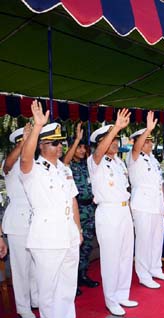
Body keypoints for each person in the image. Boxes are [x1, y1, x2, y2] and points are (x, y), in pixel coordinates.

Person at [19, 101, 81, 318]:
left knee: (67, 287)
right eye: (54, 144)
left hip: (69, 235)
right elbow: (25, 158)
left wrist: (78, 230)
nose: (60, 147)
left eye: (60, 143)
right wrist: (37, 127)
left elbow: (73, 199)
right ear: (42, 146)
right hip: (46, 239)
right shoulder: (32, 169)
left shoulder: (63, 169)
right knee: (48, 292)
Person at [89, 109, 138, 316]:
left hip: (124, 210)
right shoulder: (95, 162)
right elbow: (98, 153)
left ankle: (121, 294)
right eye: (112, 139)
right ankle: (111, 299)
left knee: (126, 255)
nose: (116, 143)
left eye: (117, 139)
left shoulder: (118, 163)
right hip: (108, 213)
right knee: (111, 257)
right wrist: (116, 126)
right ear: (101, 143)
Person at [127, 112, 164, 289]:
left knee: (156, 238)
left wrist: (162, 205)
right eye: (146, 140)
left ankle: (155, 268)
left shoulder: (152, 159)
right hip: (142, 205)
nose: (149, 143)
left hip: (155, 204)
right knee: (144, 241)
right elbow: (136, 148)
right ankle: (143, 274)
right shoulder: (133, 157)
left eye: (150, 140)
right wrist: (147, 129)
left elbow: (159, 183)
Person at [3, 124, 39, 318]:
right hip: (18, 221)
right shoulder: (11, 164)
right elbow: (6, 166)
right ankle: (23, 307)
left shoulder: (35, 164)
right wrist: (23, 142)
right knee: (20, 267)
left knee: (35, 264)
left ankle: (35, 298)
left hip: (36, 219)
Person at [62, 122, 100, 297]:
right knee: (76, 247)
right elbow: (65, 161)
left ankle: (83, 275)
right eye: (79, 148)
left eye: (84, 148)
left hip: (90, 209)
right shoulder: (67, 166)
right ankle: (72, 281)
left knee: (86, 247)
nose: (83, 151)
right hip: (77, 211)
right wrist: (76, 139)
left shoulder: (86, 165)